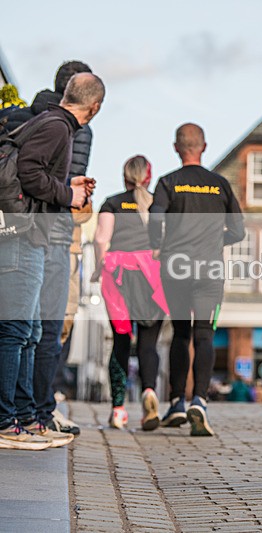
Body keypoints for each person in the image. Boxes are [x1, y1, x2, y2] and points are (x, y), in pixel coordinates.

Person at [0, 72, 102, 450]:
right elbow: (29, 171)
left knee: (27, 333)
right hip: (25, 236)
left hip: (30, 236)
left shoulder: (49, 122)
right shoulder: (59, 127)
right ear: (94, 108)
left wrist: (68, 188)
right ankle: (9, 422)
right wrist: (68, 195)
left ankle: (24, 418)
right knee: (17, 332)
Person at [148, 123, 245, 436]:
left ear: (176, 148)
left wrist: (158, 245)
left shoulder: (168, 182)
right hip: (210, 269)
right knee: (205, 333)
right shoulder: (219, 184)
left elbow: (155, 219)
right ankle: (199, 401)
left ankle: (177, 401)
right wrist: (217, 242)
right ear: (203, 147)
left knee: (180, 333)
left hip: (176, 267)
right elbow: (239, 230)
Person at [30, 62, 96, 438]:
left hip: (22, 229)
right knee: (53, 324)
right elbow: (66, 185)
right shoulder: (71, 127)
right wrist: (77, 194)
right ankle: (39, 410)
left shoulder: (25, 114)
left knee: (24, 325)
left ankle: (27, 409)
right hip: (55, 234)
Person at [93, 155, 169, 430]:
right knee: (149, 343)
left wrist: (97, 268)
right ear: (149, 178)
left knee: (121, 342)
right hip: (152, 275)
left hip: (119, 274)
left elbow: (102, 239)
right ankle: (149, 392)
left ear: (124, 176)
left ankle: (118, 409)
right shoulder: (158, 205)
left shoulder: (112, 203)